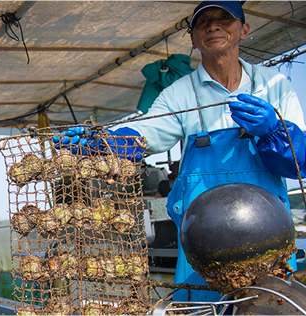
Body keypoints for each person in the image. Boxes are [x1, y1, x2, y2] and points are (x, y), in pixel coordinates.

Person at [53, 0, 306, 301]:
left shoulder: (273, 84)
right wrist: (105, 142)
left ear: (244, 30)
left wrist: (274, 130)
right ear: (193, 38)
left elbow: (297, 163)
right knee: (200, 305)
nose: (213, 26)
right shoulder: (180, 93)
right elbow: (146, 132)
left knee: (272, 304)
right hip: (202, 239)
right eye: (203, 22)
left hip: (269, 235)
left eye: (224, 19)